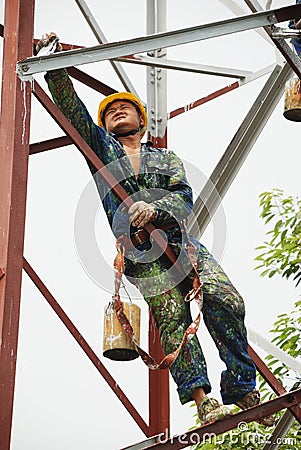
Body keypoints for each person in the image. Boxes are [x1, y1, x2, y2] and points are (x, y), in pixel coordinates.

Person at [38, 33, 274, 427]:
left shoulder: (164, 159)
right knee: (171, 317)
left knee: (226, 299)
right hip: (140, 254)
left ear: (142, 121)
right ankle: (202, 399)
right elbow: (73, 110)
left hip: (182, 244)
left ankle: (239, 385)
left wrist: (156, 209)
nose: (115, 113)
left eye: (124, 108)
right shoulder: (102, 150)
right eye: (109, 112)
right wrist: (53, 64)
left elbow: (184, 200)